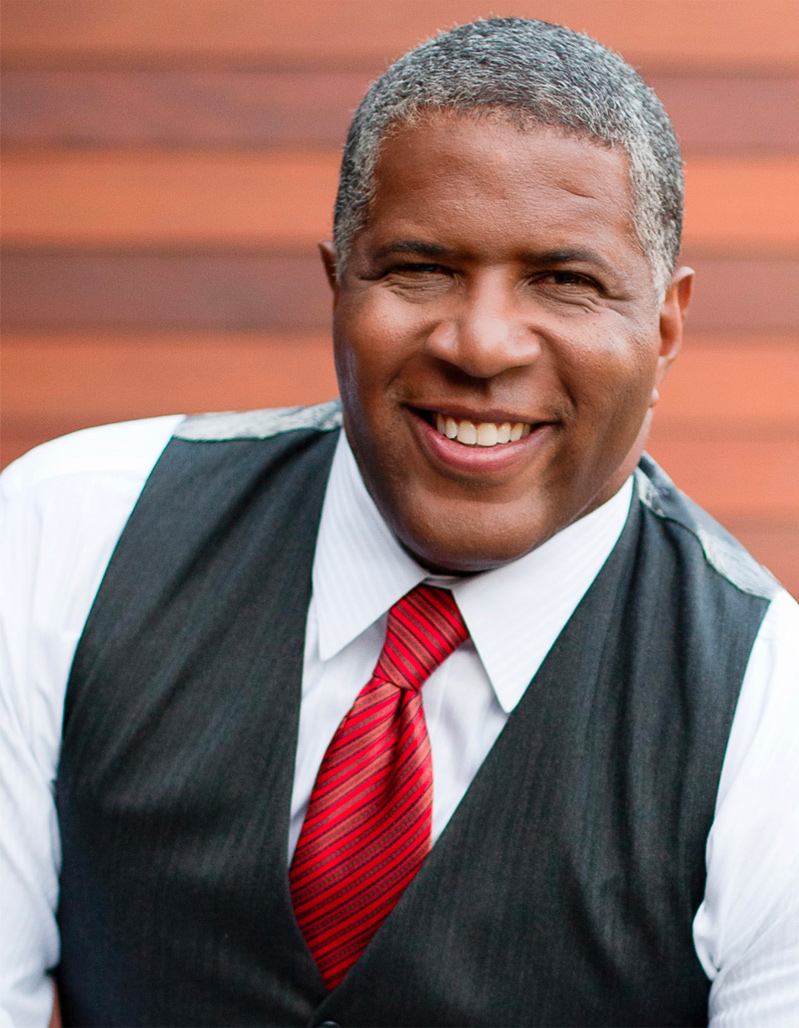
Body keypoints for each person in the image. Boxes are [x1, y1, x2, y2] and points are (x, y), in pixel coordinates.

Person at [1, 16, 798, 1028]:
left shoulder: (768, 712)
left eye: (566, 281)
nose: (482, 345)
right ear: (338, 284)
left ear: (665, 325)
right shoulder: (72, 533)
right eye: (421, 267)